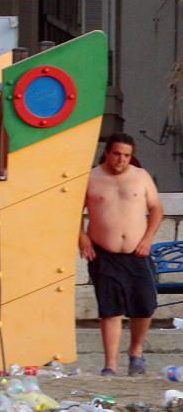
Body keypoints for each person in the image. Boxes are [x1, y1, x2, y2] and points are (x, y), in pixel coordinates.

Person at [79, 132, 163, 376]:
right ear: (107, 152)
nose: (121, 159)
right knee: (110, 308)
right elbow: (72, 211)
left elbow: (156, 208)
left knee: (145, 304)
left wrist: (148, 239)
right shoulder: (91, 178)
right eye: (116, 154)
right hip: (103, 252)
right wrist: (82, 237)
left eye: (126, 155)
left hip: (137, 251)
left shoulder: (141, 177)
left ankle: (136, 352)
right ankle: (110, 364)